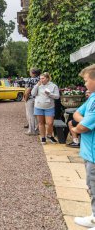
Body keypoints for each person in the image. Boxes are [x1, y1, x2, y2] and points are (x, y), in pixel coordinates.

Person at [72, 64, 95, 229]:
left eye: (86, 80)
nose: (85, 84)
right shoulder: (92, 97)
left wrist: (77, 127)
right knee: (91, 186)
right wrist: (84, 121)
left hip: (93, 154)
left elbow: (83, 127)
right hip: (88, 152)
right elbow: (76, 114)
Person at [31, 72, 60, 145]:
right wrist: (37, 85)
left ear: (47, 78)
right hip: (38, 106)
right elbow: (33, 94)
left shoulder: (53, 86)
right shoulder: (38, 85)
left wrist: (49, 94)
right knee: (41, 123)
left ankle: (49, 135)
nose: (41, 80)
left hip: (49, 107)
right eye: (40, 78)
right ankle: (43, 137)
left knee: (50, 123)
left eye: (43, 78)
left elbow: (57, 96)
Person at [24, 68, 41, 135]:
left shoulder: (31, 79)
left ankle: (31, 131)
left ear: (33, 73)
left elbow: (28, 90)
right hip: (39, 99)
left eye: (30, 72)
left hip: (31, 99)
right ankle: (38, 130)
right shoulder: (40, 79)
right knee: (37, 115)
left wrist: (25, 99)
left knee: (30, 115)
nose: (29, 73)